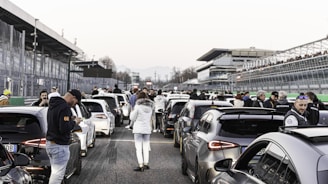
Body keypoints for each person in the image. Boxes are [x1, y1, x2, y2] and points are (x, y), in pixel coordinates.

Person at [46, 89, 82, 184]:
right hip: (59, 145)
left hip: (50, 144)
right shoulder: (65, 108)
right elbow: (64, 128)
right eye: (75, 102)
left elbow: (58, 122)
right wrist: (74, 122)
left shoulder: (53, 105)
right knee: (57, 175)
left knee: (55, 173)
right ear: (73, 97)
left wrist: (69, 119)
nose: (74, 105)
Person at [129, 91, 155, 172]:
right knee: (146, 147)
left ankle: (141, 165)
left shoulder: (137, 107)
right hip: (147, 129)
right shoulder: (150, 107)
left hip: (138, 129)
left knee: (138, 148)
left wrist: (132, 111)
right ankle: (146, 163)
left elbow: (132, 118)